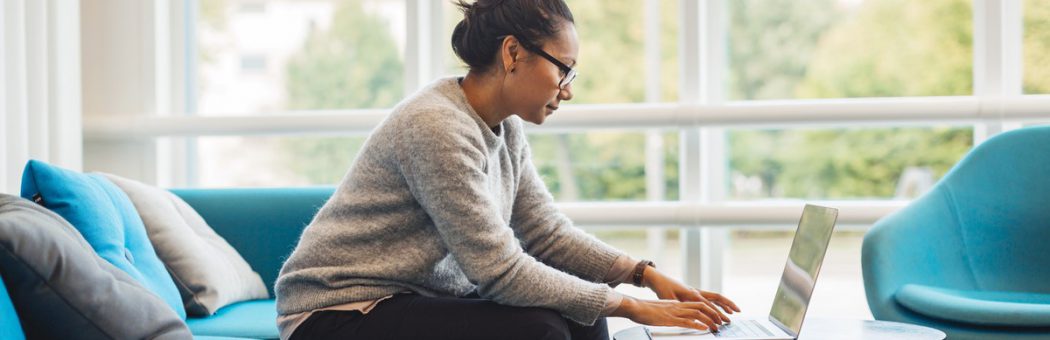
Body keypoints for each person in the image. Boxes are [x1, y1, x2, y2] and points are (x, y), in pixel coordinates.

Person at [274, 0, 740, 339]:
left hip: (410, 297)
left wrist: (645, 275)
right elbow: (500, 271)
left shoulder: (503, 129)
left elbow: (546, 234)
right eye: (565, 70)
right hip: (338, 311)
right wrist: (631, 307)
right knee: (540, 330)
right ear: (513, 53)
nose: (568, 90)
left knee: (586, 317)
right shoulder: (435, 126)